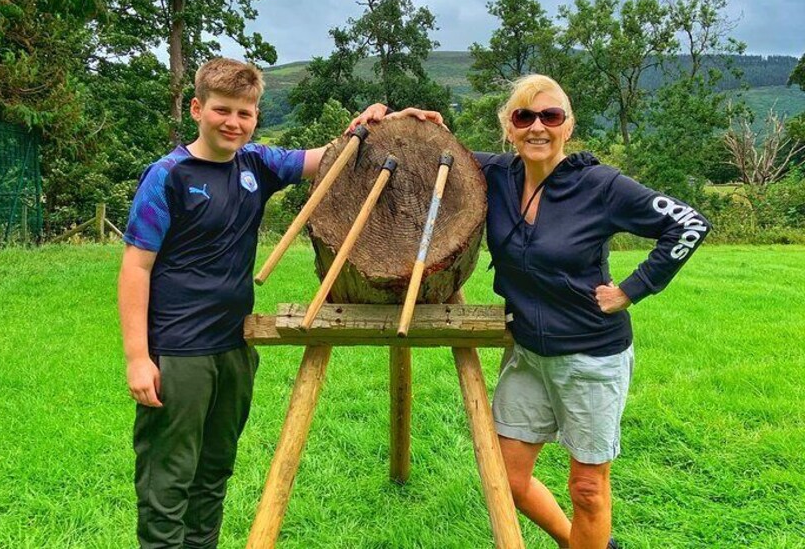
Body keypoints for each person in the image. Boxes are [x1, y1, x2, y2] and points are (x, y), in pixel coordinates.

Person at [354, 74, 710, 549]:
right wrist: (397, 120)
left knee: (586, 488)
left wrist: (632, 288)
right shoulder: (495, 176)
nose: (537, 127)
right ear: (509, 126)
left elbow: (689, 222)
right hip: (526, 353)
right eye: (524, 116)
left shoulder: (599, 185)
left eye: (551, 116)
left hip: (590, 357)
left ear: (568, 125)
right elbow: (423, 160)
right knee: (508, 479)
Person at [119, 57, 374, 548]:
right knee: (168, 480)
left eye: (245, 113)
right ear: (197, 108)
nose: (233, 122)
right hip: (178, 351)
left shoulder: (256, 164)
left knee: (214, 473)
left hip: (235, 348)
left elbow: (333, 156)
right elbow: (136, 267)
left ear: (256, 116)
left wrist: (379, 120)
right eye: (222, 110)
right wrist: (137, 357)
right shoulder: (168, 175)